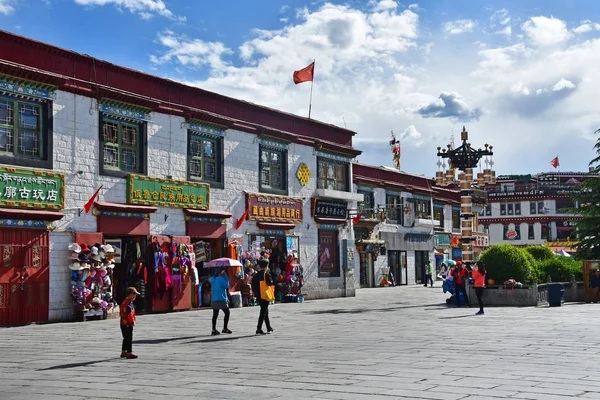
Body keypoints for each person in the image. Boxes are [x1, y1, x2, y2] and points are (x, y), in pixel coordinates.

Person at [252, 258, 274, 335]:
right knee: (263, 312)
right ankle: (259, 328)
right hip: (265, 295)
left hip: (258, 295)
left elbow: (253, 286)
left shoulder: (255, 275)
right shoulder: (266, 274)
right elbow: (269, 283)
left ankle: (269, 328)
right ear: (266, 266)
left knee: (265, 311)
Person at [210, 268, 232, 335]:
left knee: (215, 315)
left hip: (214, 298)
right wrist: (225, 275)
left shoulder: (212, 279)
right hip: (221, 298)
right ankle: (225, 328)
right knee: (227, 313)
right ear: (221, 272)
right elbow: (227, 285)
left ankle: (213, 329)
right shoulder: (221, 279)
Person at [120, 287, 140, 359]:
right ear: (130, 295)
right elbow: (129, 314)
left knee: (125, 338)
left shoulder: (124, 302)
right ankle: (129, 352)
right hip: (128, 324)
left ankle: (123, 351)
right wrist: (132, 322)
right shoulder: (128, 304)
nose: (135, 297)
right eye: (134, 295)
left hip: (123, 323)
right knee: (129, 338)